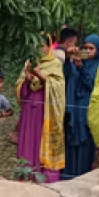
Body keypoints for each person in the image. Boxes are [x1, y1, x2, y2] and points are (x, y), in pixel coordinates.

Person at [12, 37, 65, 179]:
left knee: (42, 141)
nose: (38, 50)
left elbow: (58, 88)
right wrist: (26, 81)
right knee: (28, 141)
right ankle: (25, 175)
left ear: (49, 47)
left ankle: (46, 178)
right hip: (29, 110)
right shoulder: (28, 63)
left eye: (41, 46)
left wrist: (38, 74)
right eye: (35, 46)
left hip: (46, 111)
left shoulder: (55, 64)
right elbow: (19, 90)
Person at [62, 35, 99, 179]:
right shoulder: (75, 62)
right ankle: (68, 177)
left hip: (87, 107)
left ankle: (84, 177)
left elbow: (92, 85)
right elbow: (66, 77)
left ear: (97, 50)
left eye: (91, 48)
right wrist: (68, 59)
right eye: (85, 48)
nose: (88, 51)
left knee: (86, 141)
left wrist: (81, 68)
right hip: (73, 108)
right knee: (71, 140)